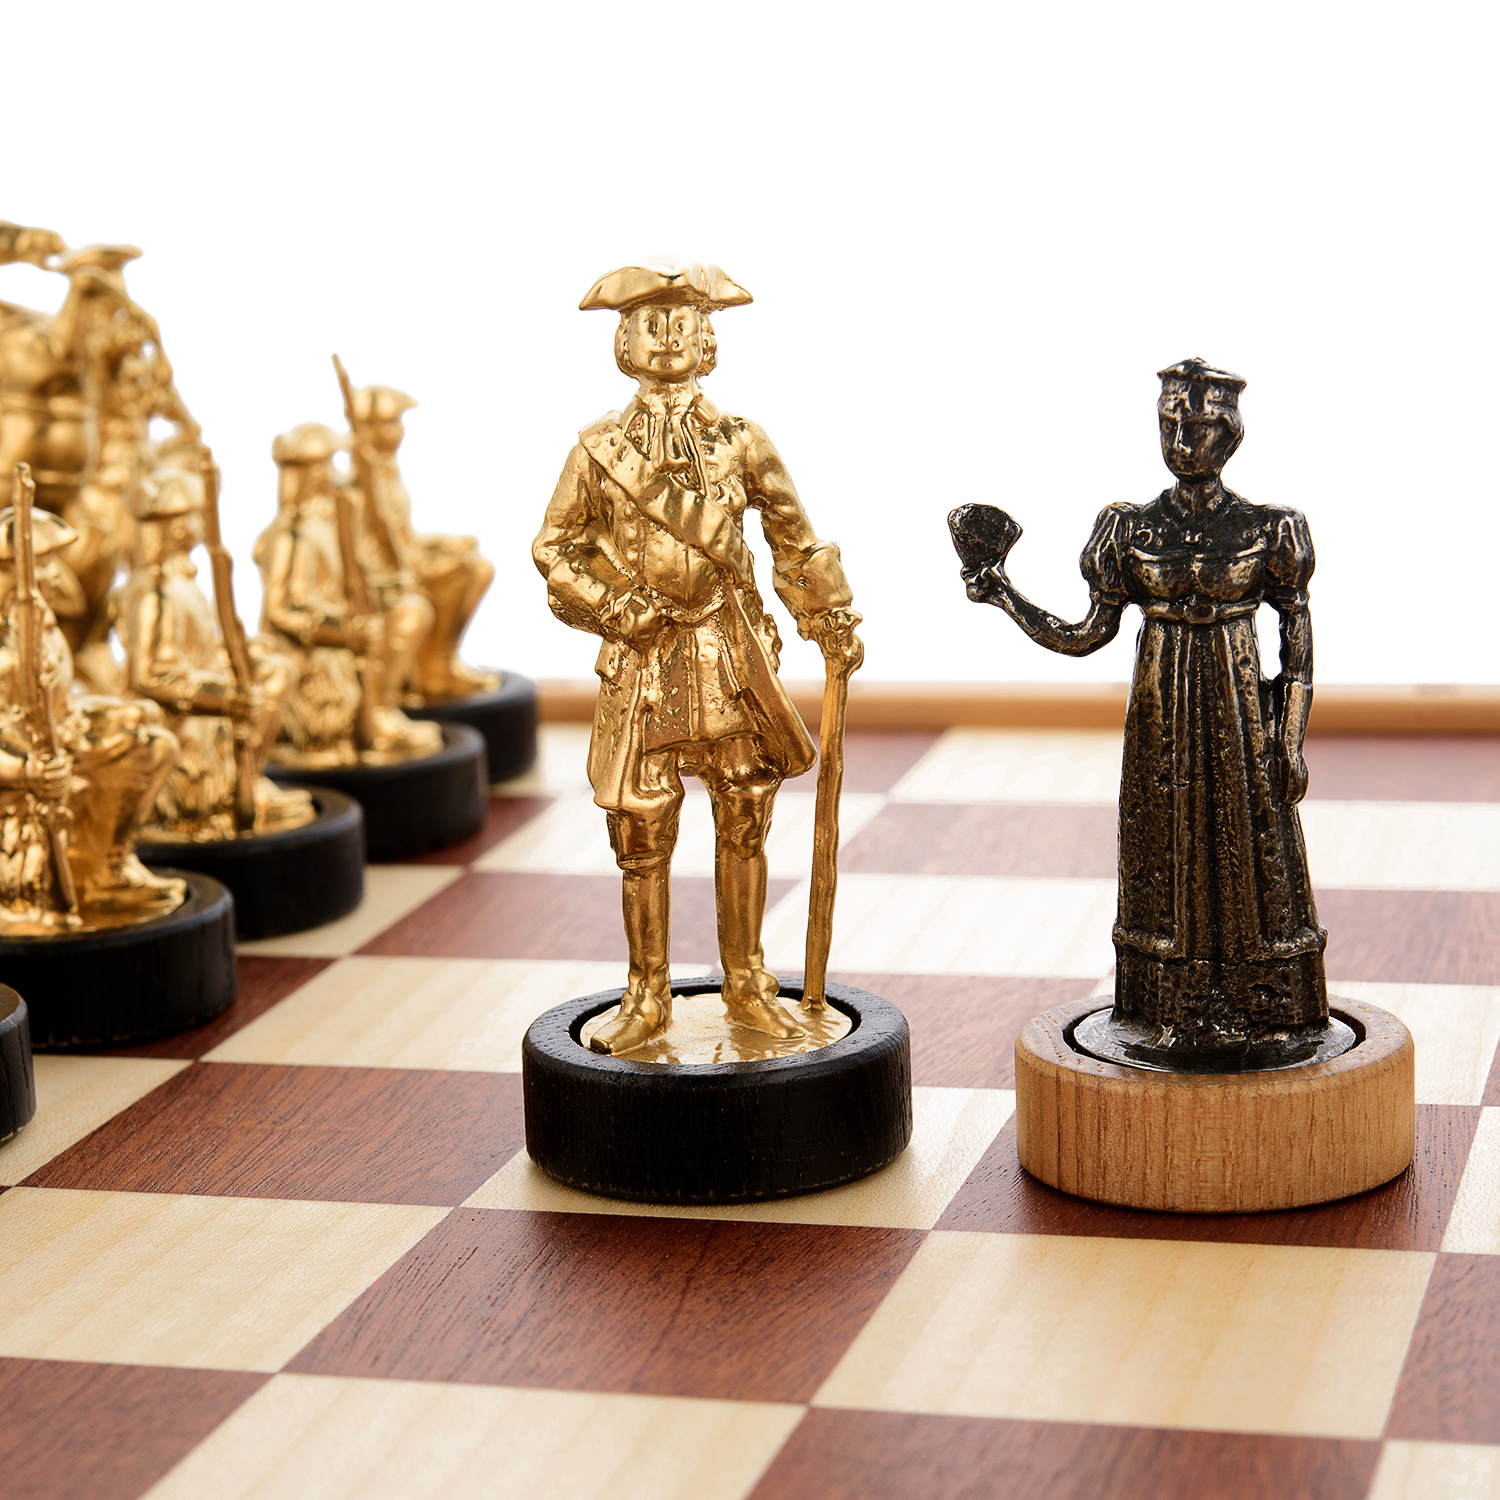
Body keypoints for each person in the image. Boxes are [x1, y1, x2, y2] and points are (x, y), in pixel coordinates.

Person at [534, 258, 863, 1055]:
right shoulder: (598, 450)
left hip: (727, 649)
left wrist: (828, 615)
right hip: (644, 661)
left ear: (708, 339)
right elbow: (554, 547)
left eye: (683, 320)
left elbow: (792, 536)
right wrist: (617, 606)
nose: (668, 336)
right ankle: (646, 993)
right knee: (641, 828)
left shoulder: (741, 441)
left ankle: (747, 981)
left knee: (745, 808)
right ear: (624, 341)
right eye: (650, 321)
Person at [955, 358, 1326, 1058]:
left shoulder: (1270, 527)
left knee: (1252, 848)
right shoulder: (1128, 528)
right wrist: (1002, 593)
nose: (1182, 441)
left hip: (1241, 716)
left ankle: (1265, 1007)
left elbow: (1297, 649)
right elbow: (1084, 634)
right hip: (1162, 718)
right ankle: (1166, 1009)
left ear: (1231, 434)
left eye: (1199, 426)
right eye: (1169, 423)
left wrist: (1289, 739)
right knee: (1167, 845)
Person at [0, 505, 183, 933]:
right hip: (23, 781)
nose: (54, 574)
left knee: (154, 745)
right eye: (42, 563)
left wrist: (115, 713)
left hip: (64, 746)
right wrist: (28, 770)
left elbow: (61, 708)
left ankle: (109, 867)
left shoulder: (43, 631)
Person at [114, 466, 311, 840]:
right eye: (194, 515)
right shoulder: (155, 591)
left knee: (276, 670)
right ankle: (222, 793)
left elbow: (197, 651)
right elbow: (149, 677)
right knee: (256, 691)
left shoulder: (181, 581)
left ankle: (247, 777)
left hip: (204, 691)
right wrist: (222, 699)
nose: (201, 524)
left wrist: (242, 653)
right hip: (179, 717)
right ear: (176, 527)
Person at [254, 423, 440, 767]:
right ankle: (347, 728)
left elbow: (357, 576)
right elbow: (279, 612)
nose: (332, 473)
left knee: (412, 612)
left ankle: (380, 710)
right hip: (317, 645)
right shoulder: (288, 535)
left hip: (350, 627)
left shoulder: (334, 519)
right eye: (325, 464)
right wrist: (340, 633)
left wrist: (387, 586)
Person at [342, 384, 498, 704]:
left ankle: (439, 662)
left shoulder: (386, 473)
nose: (395, 432)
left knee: (477, 566)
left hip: (406, 563)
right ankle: (432, 670)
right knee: (465, 574)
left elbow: (402, 534)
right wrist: (406, 566)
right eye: (387, 424)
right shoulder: (355, 488)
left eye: (396, 423)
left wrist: (442, 544)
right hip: (384, 582)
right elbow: (370, 547)